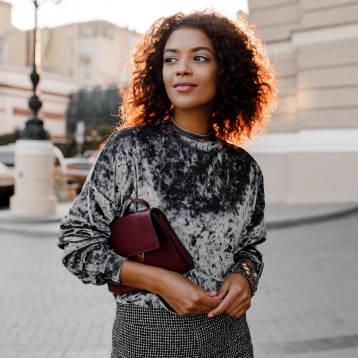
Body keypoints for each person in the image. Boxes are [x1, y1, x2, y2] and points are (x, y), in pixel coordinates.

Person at [58, 9, 278, 358]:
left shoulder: (245, 168)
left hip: (230, 340)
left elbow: (249, 250)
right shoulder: (130, 148)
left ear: (227, 70)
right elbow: (77, 244)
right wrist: (160, 281)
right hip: (148, 338)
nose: (182, 68)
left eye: (200, 58)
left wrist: (244, 277)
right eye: (170, 59)